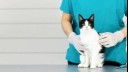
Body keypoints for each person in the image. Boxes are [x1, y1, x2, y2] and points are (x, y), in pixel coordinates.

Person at [60, 0, 127, 66]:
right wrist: (72, 37)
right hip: (81, 56)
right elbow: (65, 19)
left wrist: (118, 36)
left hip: (115, 55)